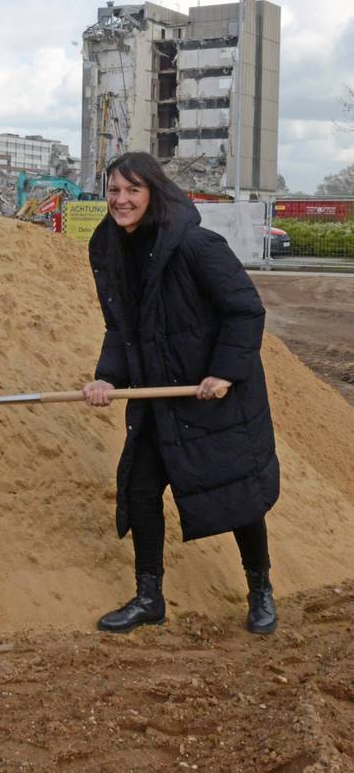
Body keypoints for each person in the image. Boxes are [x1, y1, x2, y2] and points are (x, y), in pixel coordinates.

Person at [82, 152, 278, 635]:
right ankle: (149, 598)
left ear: (154, 192)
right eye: (113, 190)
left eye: (132, 190)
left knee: (236, 493)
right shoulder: (108, 248)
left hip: (211, 394)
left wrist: (224, 372)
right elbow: (121, 327)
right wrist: (108, 377)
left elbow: (245, 310)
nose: (121, 200)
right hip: (157, 395)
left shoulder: (195, 244)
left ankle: (260, 592)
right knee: (142, 490)